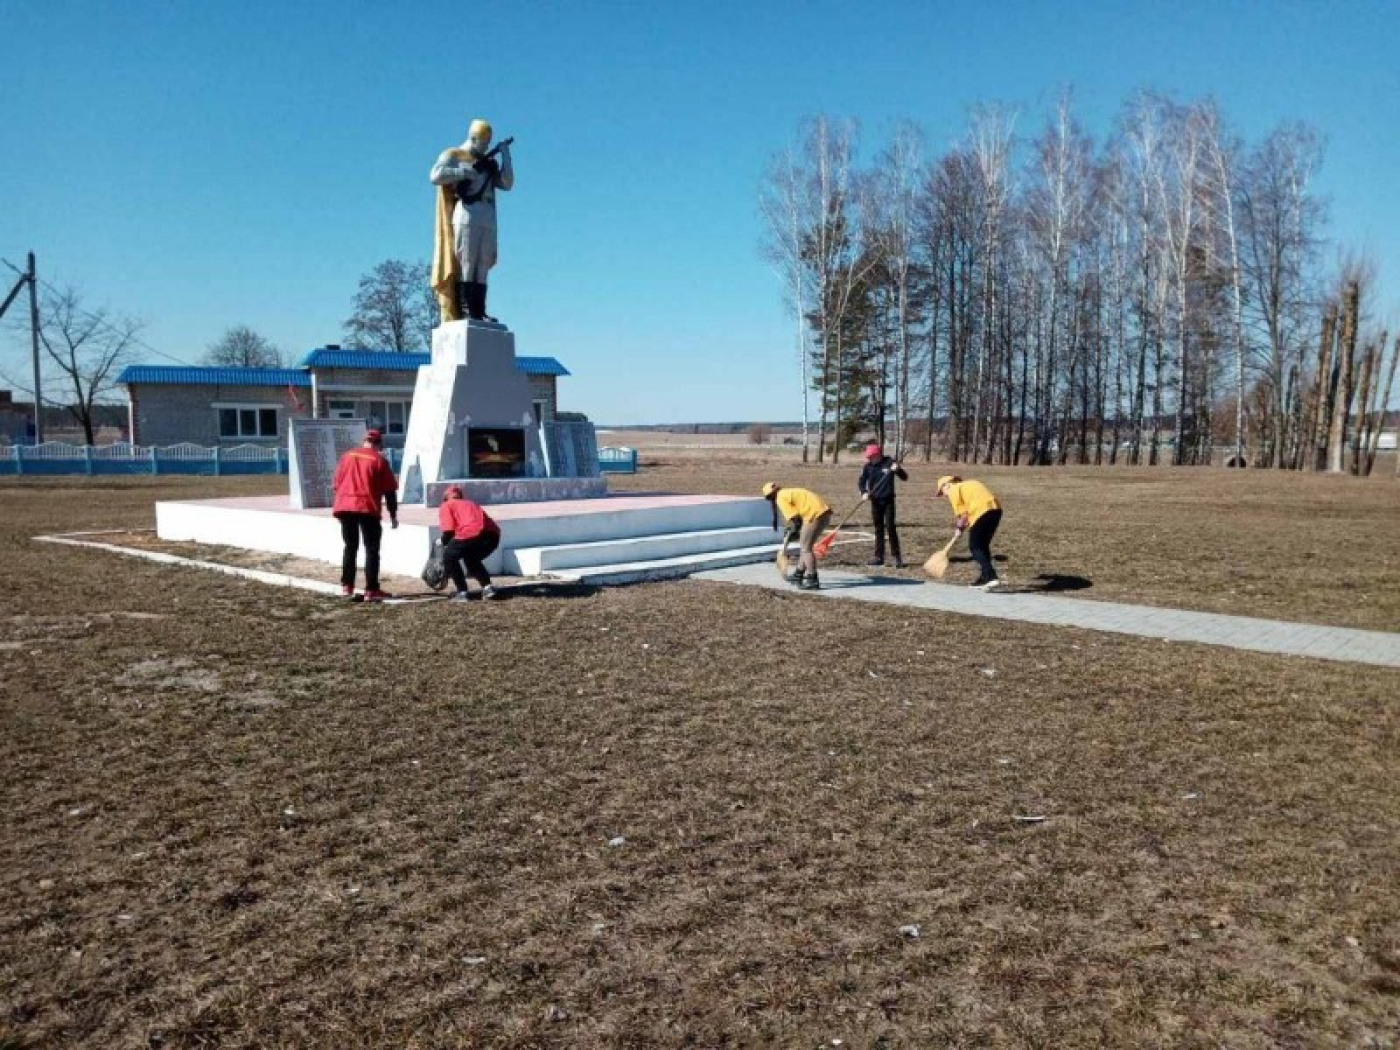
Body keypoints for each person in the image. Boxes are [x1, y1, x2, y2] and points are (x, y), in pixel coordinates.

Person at [430, 118, 514, 323]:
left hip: (487, 213)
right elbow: (435, 175)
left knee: (483, 262)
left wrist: (505, 155)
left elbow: (506, 183)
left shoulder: (489, 162)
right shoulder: (454, 155)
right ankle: (467, 310)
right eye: (484, 142)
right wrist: (462, 172)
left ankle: (480, 310)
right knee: (467, 261)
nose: (486, 147)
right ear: (473, 138)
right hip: (467, 212)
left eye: (488, 143)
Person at [333, 429, 399, 601]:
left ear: (364, 441)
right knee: (371, 549)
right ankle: (371, 589)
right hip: (367, 507)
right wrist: (393, 514)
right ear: (379, 444)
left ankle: (347, 586)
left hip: (345, 506)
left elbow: (336, 483)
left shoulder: (346, 456)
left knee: (350, 546)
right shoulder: (379, 460)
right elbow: (389, 490)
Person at [761, 481, 832, 591]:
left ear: (770, 496)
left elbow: (796, 519)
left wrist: (793, 532)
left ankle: (812, 579)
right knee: (805, 546)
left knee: (806, 549)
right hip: (824, 513)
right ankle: (798, 573)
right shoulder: (787, 492)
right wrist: (794, 531)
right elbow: (798, 519)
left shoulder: (780, 498)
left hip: (814, 515)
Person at [935, 475, 1002, 589]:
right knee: (982, 546)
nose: (945, 495)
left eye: (942, 492)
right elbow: (970, 511)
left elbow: (963, 515)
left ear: (947, 485)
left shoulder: (954, 490)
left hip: (981, 512)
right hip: (996, 510)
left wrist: (959, 528)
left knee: (975, 547)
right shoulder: (971, 483)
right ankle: (985, 577)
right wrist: (962, 526)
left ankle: (991, 577)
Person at [438, 485, 502, 602]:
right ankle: (488, 588)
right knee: (471, 559)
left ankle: (462, 592)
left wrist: (441, 541)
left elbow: (448, 532)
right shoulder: (470, 503)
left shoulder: (446, 505)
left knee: (449, 557)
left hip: (471, 532)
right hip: (493, 535)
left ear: (446, 498)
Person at [858, 443, 908, 567]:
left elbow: (904, 477)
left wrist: (898, 470)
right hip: (875, 501)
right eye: (868, 457)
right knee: (878, 528)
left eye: (871, 457)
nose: (869, 459)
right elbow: (861, 481)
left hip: (888, 500)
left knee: (890, 527)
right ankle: (879, 556)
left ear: (878, 455)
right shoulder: (868, 467)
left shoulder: (889, 462)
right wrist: (864, 492)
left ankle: (896, 557)